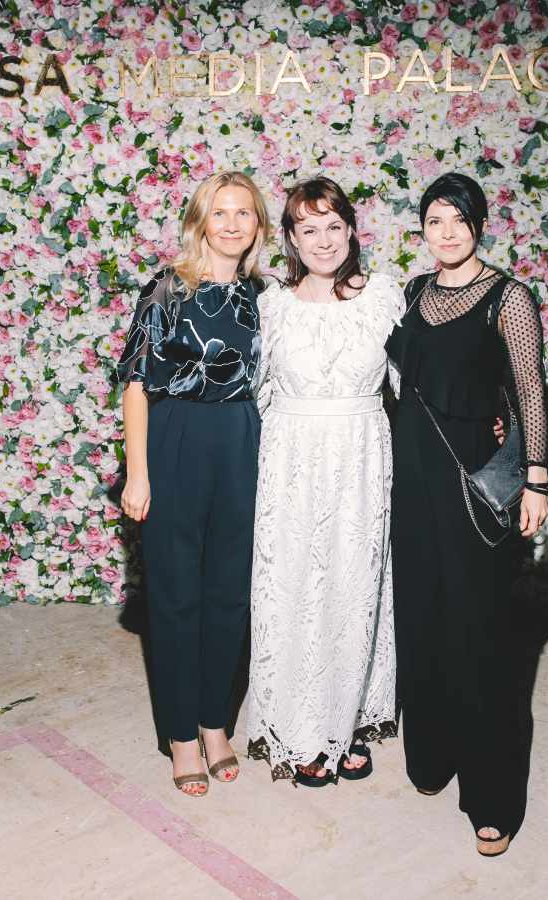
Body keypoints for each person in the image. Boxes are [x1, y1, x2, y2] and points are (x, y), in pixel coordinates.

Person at [385, 172, 548, 855]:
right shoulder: (413, 292)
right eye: (435, 221)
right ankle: (431, 757)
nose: (446, 233)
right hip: (411, 483)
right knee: (420, 618)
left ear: (479, 225)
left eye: (458, 220)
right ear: (423, 230)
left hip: (471, 487)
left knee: (478, 634)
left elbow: (530, 389)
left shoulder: (508, 297)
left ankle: (492, 799)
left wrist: (536, 480)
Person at [114, 171, 270, 796]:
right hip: (175, 436)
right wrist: (138, 474)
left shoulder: (264, 295)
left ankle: (214, 723)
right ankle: (181, 735)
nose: (232, 224)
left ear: (258, 225)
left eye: (244, 213)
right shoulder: (167, 288)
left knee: (230, 593)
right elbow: (135, 384)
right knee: (176, 595)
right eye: (220, 212)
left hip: (242, 439)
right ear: (201, 220)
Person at [247, 177, 404, 785]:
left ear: (351, 231)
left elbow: (415, 385)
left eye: (333, 226)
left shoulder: (384, 297)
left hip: (361, 460)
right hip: (290, 464)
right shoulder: (272, 305)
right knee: (294, 587)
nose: (322, 240)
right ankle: (301, 726)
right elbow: (253, 392)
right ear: (290, 238)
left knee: (354, 587)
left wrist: (489, 419)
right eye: (307, 229)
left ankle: (349, 716)